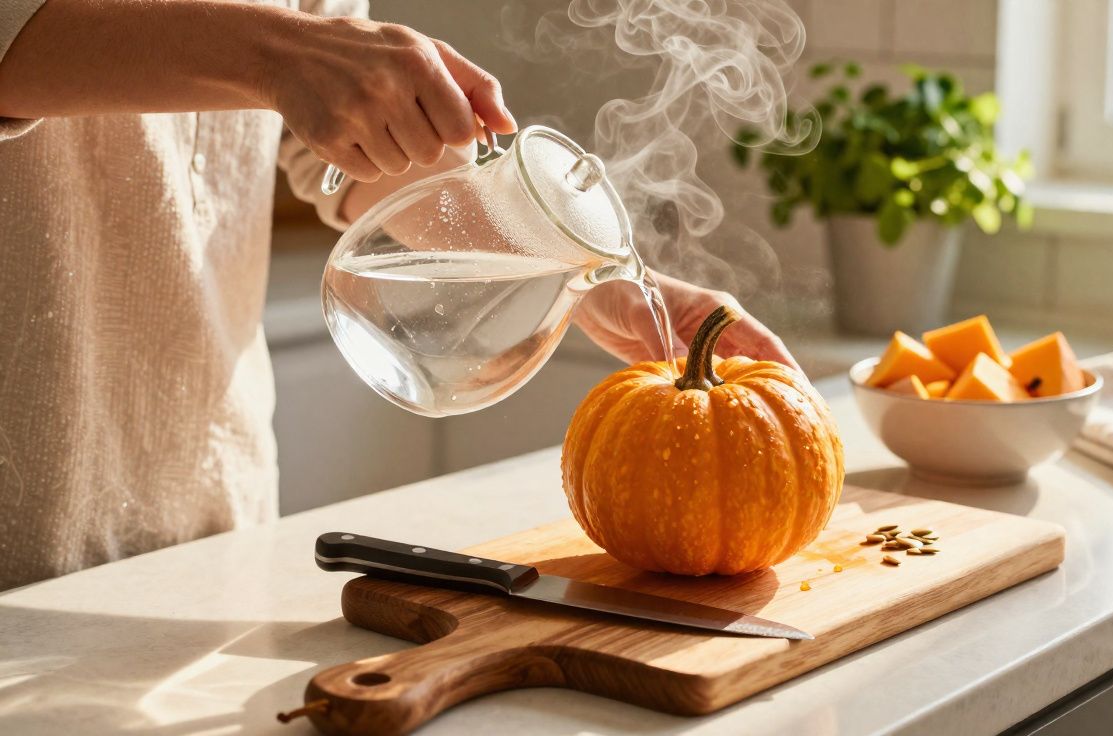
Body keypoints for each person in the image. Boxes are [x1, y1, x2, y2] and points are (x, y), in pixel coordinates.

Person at [0, 0, 798, 590]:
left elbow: (337, 153)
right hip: (23, 520)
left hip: (214, 519)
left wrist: (593, 274)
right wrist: (282, 52)